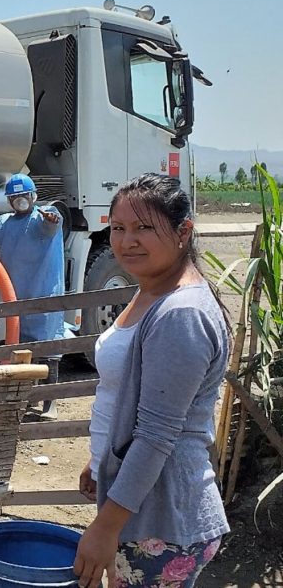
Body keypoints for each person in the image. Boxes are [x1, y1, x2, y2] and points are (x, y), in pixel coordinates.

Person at [74, 173, 229, 588]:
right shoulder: (151, 290)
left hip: (161, 519)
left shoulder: (182, 314)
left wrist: (105, 528)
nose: (126, 241)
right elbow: (127, 392)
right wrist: (103, 457)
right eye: (119, 228)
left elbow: (157, 435)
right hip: (142, 504)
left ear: (183, 232)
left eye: (144, 227)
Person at [0, 173, 65, 417]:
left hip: (44, 293)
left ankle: (51, 405)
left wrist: (52, 219)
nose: (20, 200)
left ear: (33, 196)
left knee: (49, 347)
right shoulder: (4, 224)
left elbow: (53, 222)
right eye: (15, 197)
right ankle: (29, 400)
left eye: (24, 196)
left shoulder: (43, 217)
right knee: (23, 346)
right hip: (16, 296)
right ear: (9, 201)